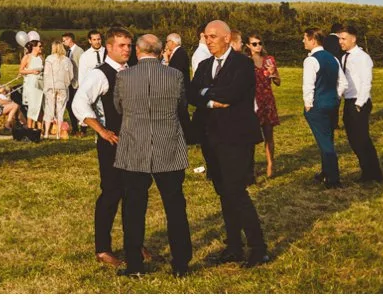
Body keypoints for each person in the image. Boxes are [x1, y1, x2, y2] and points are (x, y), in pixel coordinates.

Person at [112, 34, 193, 278]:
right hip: (168, 146)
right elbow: (182, 107)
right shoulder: (175, 76)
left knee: (134, 208)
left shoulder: (124, 76)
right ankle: (181, 263)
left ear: (138, 51)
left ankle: (135, 264)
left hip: (134, 147)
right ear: (160, 51)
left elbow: (119, 107)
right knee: (175, 206)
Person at [191, 20, 269, 266]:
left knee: (236, 191)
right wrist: (211, 99)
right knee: (223, 191)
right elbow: (192, 93)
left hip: (236, 138)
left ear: (227, 38)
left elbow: (232, 94)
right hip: (211, 137)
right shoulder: (204, 65)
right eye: (206, 36)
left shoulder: (243, 64)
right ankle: (234, 245)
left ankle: (258, 248)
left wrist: (207, 93)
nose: (208, 40)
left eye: (213, 36)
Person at [73, 27, 133, 269]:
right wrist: (101, 131)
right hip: (111, 145)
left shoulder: (132, 71)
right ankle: (103, 249)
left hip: (133, 144)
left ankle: (135, 244)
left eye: (129, 45)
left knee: (134, 195)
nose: (127, 49)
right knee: (111, 194)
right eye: (122, 45)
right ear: (109, 47)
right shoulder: (100, 75)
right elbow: (79, 102)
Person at [335, 26, 383, 183]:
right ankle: (368, 171)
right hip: (349, 100)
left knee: (361, 139)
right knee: (354, 139)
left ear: (353, 39)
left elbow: (366, 82)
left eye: (343, 38)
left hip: (358, 101)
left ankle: (373, 174)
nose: (340, 42)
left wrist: (359, 104)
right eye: (339, 38)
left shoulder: (362, 57)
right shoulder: (344, 57)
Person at [301, 28, 342, 189]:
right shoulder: (333, 58)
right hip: (332, 103)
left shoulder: (310, 60)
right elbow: (342, 83)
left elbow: (308, 85)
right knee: (328, 138)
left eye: (305, 38)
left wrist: (308, 104)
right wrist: (335, 97)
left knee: (325, 143)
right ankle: (326, 172)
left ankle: (333, 178)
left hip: (318, 106)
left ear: (312, 40)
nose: (303, 41)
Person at [242, 34, 281, 177]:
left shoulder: (269, 60)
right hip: (253, 101)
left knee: (269, 134)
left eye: (260, 43)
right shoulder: (246, 62)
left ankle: (271, 163)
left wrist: (273, 74)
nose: (258, 46)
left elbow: (278, 82)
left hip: (267, 100)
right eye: (254, 44)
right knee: (251, 136)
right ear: (247, 46)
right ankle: (250, 166)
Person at [43, 42, 74, 139]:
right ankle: (58, 134)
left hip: (51, 87)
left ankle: (46, 133)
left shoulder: (49, 59)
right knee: (60, 109)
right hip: (62, 87)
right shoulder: (67, 60)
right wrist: (66, 83)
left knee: (49, 108)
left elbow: (46, 73)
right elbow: (71, 74)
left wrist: (46, 85)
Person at [19, 38, 45, 129]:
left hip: (40, 84)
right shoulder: (27, 57)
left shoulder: (41, 57)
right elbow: (21, 71)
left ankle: (40, 129)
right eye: (39, 46)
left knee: (40, 106)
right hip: (31, 84)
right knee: (32, 106)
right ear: (34, 47)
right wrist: (32, 71)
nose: (41, 48)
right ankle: (30, 128)